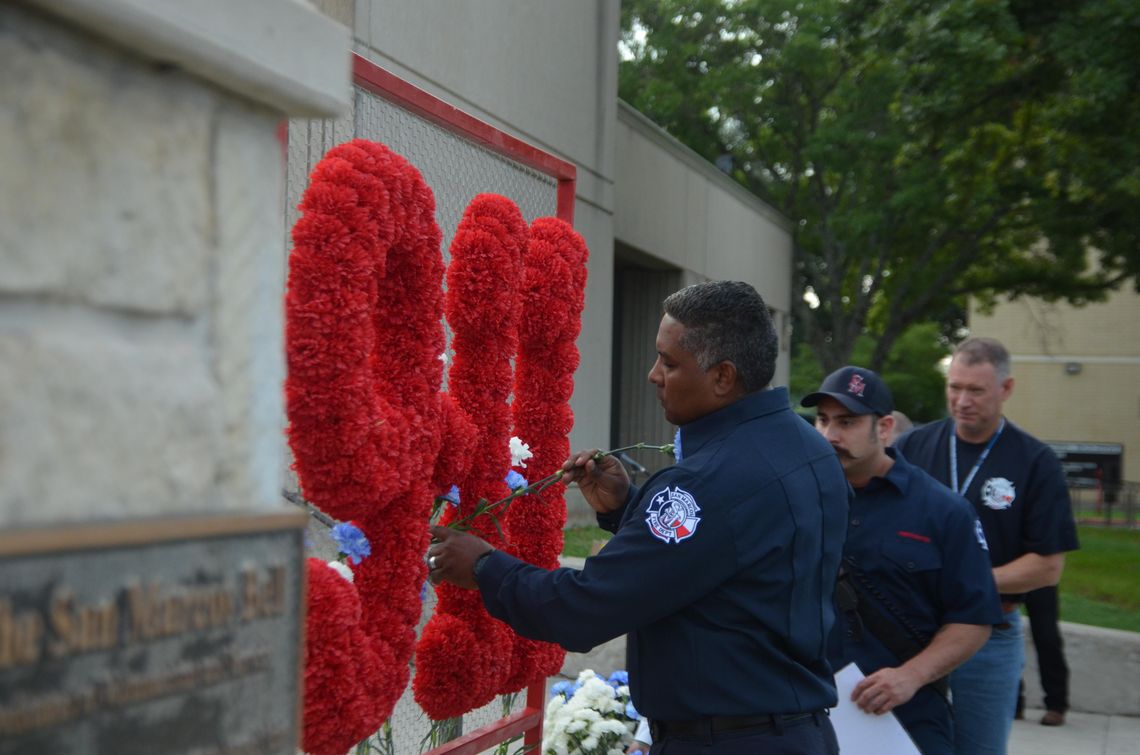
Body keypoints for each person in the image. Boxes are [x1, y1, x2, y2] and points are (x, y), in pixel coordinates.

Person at [428, 280, 850, 754]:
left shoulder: (706, 482)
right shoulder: (811, 449)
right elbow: (731, 561)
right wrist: (630, 507)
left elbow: (583, 610)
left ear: (723, 377)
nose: (653, 375)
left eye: (669, 363)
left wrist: (484, 566)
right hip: (798, 732)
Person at [802, 366, 1002, 754]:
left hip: (903, 716)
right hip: (807, 714)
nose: (830, 435)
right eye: (822, 420)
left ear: (885, 427)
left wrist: (910, 676)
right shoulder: (795, 500)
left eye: (848, 422)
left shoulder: (943, 512)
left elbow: (974, 619)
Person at [894, 337, 1079, 755]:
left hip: (990, 636)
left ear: (1005, 389)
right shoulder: (912, 448)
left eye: (975, 390)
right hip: (910, 629)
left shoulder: (1035, 462)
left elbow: (1047, 566)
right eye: (954, 387)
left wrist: (964, 581)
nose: (962, 400)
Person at [1018, 585, 1070, 726]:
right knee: (1003, 633)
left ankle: (1056, 705)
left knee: (1047, 637)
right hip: (1001, 569)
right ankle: (1014, 701)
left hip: (1039, 574)